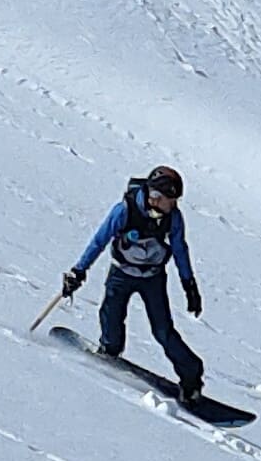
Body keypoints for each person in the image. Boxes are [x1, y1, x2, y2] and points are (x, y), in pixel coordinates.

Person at [60, 161, 211, 399]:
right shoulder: (124, 210)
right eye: (170, 200)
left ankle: (191, 379)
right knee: (111, 314)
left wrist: (189, 285)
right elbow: (99, 240)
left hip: (153, 277)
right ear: (154, 196)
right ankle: (109, 351)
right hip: (121, 273)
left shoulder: (173, 218)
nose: (174, 205)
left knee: (163, 331)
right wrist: (78, 271)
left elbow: (180, 249)